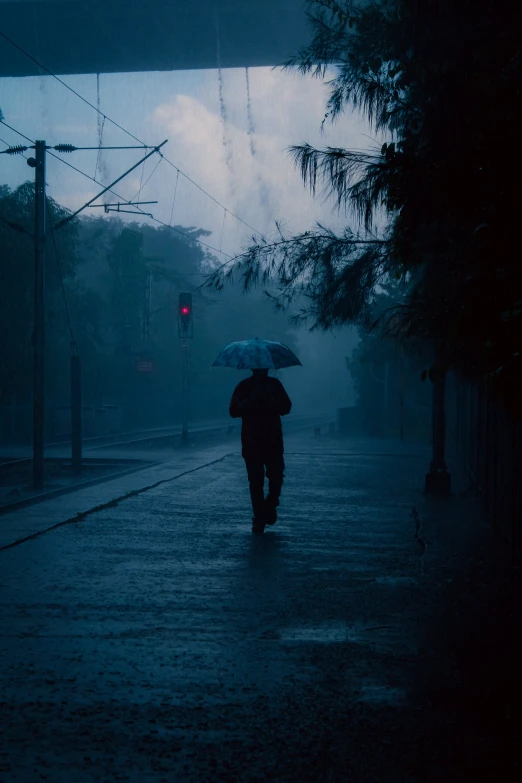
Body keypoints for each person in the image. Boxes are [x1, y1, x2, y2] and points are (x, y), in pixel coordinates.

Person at [229, 368, 292, 533]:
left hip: (269, 442)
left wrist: (269, 400)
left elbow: (286, 407)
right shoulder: (245, 386)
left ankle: (266, 509)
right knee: (258, 481)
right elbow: (233, 411)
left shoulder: (273, 385)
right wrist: (250, 401)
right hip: (255, 443)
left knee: (274, 478)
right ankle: (260, 517)